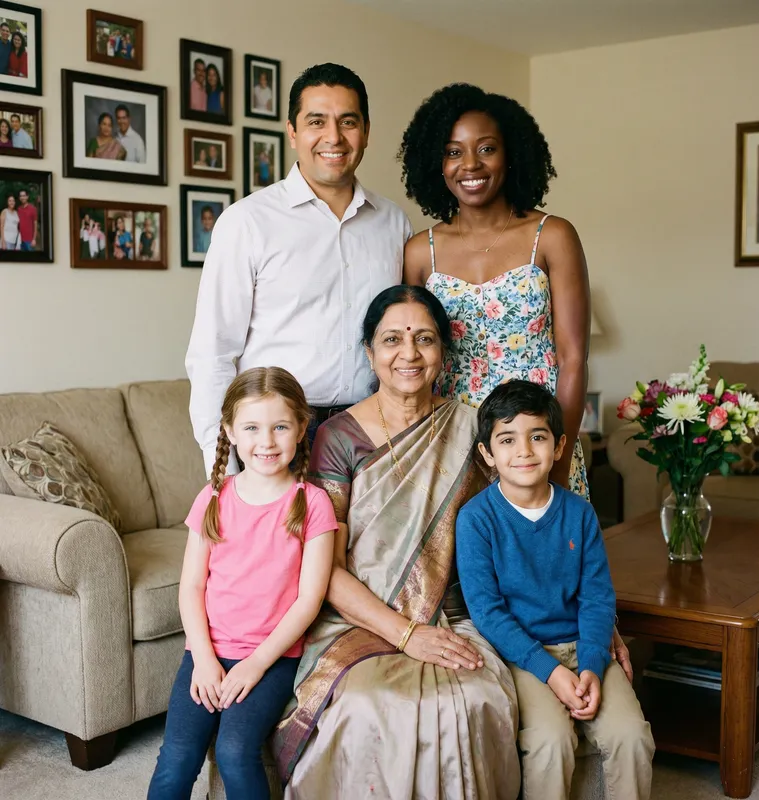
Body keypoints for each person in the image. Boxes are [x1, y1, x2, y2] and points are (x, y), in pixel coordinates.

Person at [272, 285, 521, 798]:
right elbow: (323, 570)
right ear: (370, 352)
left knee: (476, 697)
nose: (409, 353)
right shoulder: (337, 437)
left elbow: (515, 530)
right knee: (370, 704)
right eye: (392, 339)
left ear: (443, 352)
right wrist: (407, 634)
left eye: (424, 338)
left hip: (453, 614)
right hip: (356, 618)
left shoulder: (472, 428)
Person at [186, 62, 413, 476]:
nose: (334, 137)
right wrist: (224, 469)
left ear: (366, 131)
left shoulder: (394, 223)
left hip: (373, 429)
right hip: (278, 433)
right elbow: (212, 353)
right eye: (316, 121)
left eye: (348, 122)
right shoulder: (247, 222)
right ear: (292, 131)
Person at [456, 380, 654, 800]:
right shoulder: (475, 519)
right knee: (550, 742)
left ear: (559, 446)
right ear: (487, 454)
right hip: (524, 656)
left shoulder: (580, 514)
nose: (524, 451)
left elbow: (597, 598)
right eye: (507, 440)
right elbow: (487, 612)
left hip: (585, 647)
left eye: (537, 437)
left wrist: (593, 666)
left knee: (632, 735)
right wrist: (552, 673)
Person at [148, 366, 336, 799]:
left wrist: (257, 663)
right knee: (177, 757)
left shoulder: (313, 504)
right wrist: (203, 658)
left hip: (272, 658)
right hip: (206, 652)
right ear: (230, 431)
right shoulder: (213, 497)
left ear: (301, 428)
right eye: (252, 427)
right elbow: (191, 587)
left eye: (280, 427)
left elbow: (309, 599)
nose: (266, 441)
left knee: (234, 752)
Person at [401, 83, 591, 498]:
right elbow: (411, 361)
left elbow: (573, 359)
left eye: (486, 148)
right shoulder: (419, 252)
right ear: (435, 162)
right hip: (453, 446)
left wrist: (558, 462)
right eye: (453, 152)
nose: (470, 164)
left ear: (512, 154)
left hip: (535, 443)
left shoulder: (552, 236)